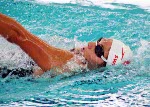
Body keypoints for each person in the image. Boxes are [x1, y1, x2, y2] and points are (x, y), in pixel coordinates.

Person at [0, 13, 133, 78]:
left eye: (99, 49)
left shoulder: (69, 61)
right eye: (99, 41)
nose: (91, 44)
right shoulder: (77, 69)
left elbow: (18, 35)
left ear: (103, 65)